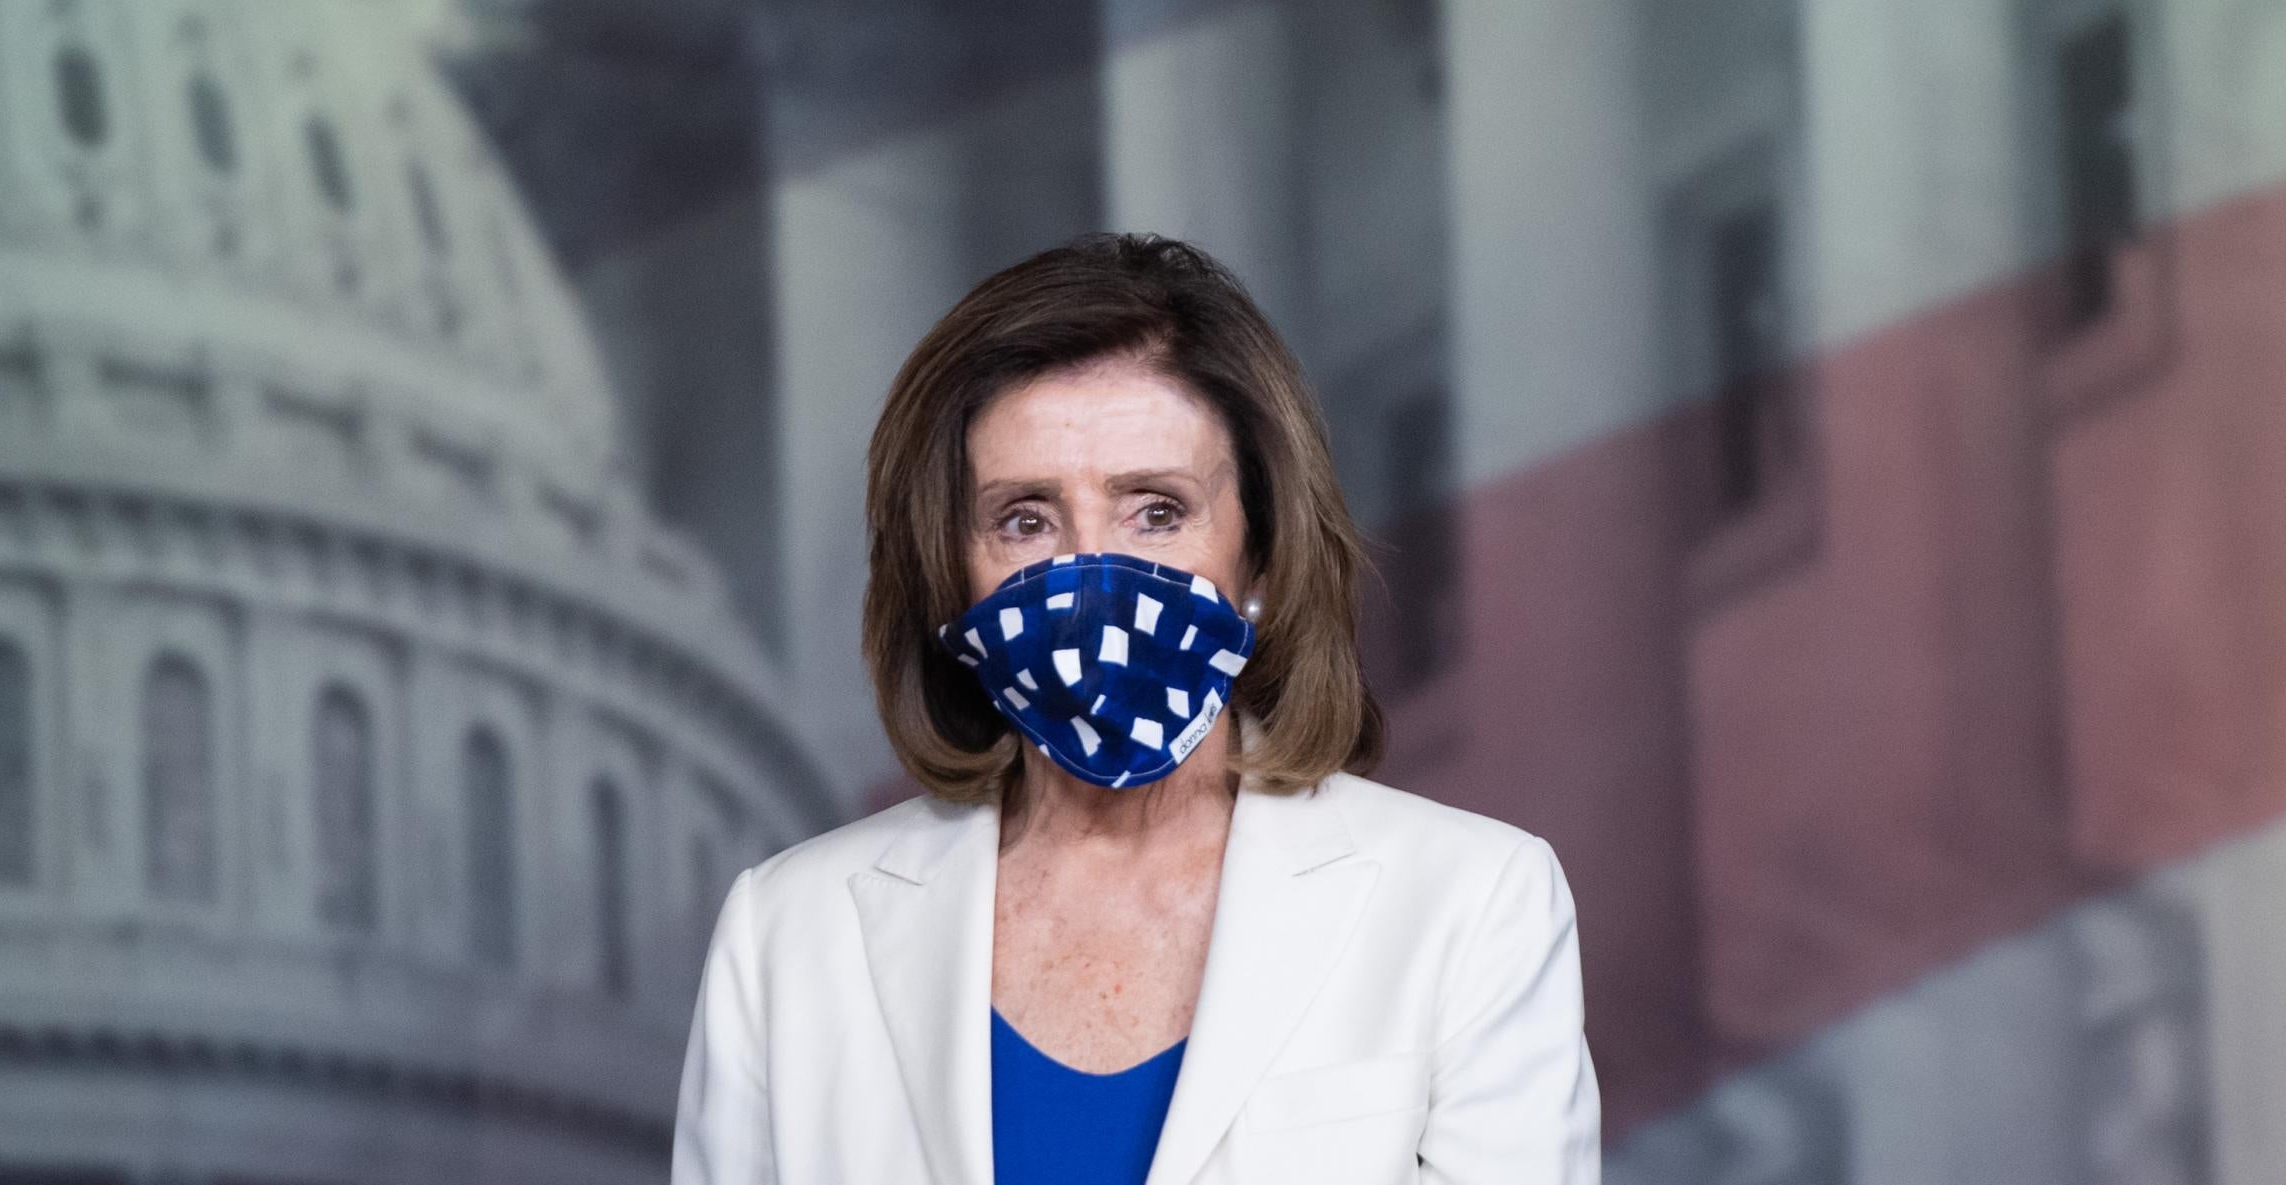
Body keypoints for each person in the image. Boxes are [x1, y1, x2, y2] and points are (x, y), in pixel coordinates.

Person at [671, 233, 1600, 1185]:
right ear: (950, 574)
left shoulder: (1472, 906)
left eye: (1156, 510)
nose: (1091, 574)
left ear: (1262, 557)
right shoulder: (785, 936)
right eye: (1025, 518)